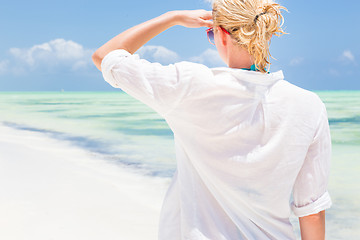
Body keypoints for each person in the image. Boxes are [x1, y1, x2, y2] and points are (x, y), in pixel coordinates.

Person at [92, 0, 332, 239]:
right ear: (265, 34)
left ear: (222, 35)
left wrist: (172, 17)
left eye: (211, 33)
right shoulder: (309, 105)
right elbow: (311, 212)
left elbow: (105, 56)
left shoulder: (190, 86)